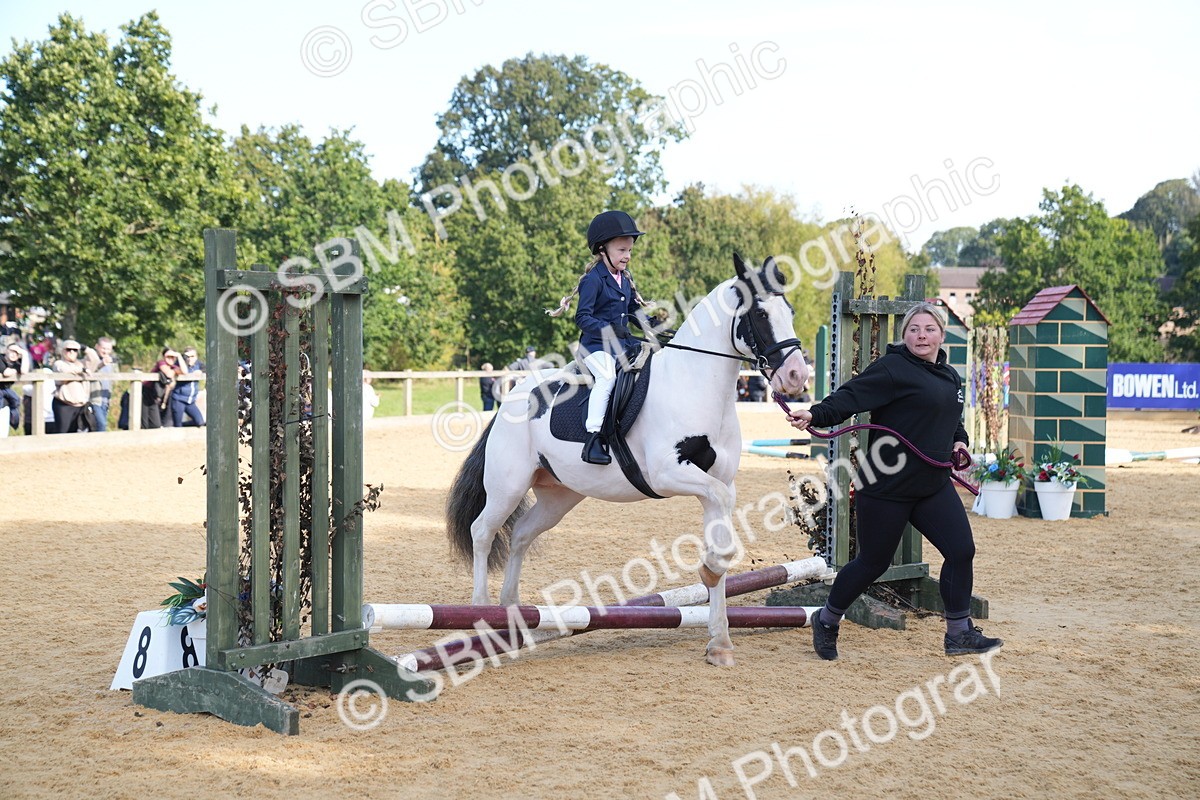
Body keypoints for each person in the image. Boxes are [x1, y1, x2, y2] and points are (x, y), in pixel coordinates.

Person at [787, 302, 1002, 659]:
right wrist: (815, 413)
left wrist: (959, 439)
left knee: (961, 551)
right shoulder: (892, 368)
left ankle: (958, 634)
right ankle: (827, 620)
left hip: (932, 485)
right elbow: (851, 396)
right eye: (914, 329)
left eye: (929, 329)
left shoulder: (948, 374)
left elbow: (952, 417)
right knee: (873, 562)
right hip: (887, 487)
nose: (922, 335)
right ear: (904, 335)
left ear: (941, 335)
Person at [548, 210, 651, 465]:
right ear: (603, 249)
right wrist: (609, 330)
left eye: (629, 250)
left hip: (622, 345)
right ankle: (594, 438)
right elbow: (582, 318)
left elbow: (632, 313)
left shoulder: (623, 278)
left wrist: (652, 325)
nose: (627, 255)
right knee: (607, 376)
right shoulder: (593, 280)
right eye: (621, 250)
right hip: (594, 348)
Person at [51, 339, 92, 433]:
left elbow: (94, 360)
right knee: (62, 432)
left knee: (77, 433)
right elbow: (65, 370)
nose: (72, 352)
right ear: (62, 351)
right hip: (64, 404)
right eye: (68, 349)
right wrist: (82, 370)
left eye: (75, 350)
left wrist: (83, 347)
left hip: (80, 405)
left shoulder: (81, 363)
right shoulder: (59, 363)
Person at [83, 336, 117, 432]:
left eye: (108, 349)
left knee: (100, 424)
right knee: (101, 424)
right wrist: (101, 364)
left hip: (105, 399)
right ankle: (99, 445)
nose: (105, 351)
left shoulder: (111, 363)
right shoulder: (91, 359)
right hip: (94, 398)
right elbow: (90, 371)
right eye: (103, 348)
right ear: (97, 346)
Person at [142, 348, 180, 429]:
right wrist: (175, 371)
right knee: (144, 422)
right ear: (164, 357)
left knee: (155, 424)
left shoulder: (173, 366)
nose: (171, 358)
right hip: (146, 392)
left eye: (173, 356)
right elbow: (169, 374)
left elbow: (185, 371)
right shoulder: (161, 363)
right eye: (168, 356)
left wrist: (179, 356)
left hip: (155, 396)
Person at [169, 347, 205, 427]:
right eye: (187, 357)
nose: (190, 359)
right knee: (177, 425)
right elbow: (175, 369)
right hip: (179, 399)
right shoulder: (179, 364)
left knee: (200, 422)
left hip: (190, 401)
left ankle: (183, 427)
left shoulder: (198, 364)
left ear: (196, 357)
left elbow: (208, 368)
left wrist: (201, 371)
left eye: (192, 356)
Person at [0, 341, 27, 435]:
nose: (13, 354)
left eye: (16, 352)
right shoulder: (1, 358)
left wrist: (24, 353)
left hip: (5, 398)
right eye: (12, 350)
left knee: (3, 430)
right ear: (6, 351)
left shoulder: (16, 364)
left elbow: (24, 371)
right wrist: (16, 371)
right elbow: (6, 372)